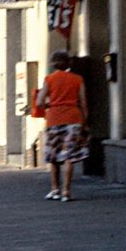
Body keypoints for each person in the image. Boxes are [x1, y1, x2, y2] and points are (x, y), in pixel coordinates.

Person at [36, 50, 89, 202]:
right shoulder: (77, 79)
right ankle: (66, 191)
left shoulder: (49, 79)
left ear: (53, 64)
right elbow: (83, 102)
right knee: (69, 156)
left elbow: (39, 102)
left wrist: (50, 103)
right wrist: (84, 122)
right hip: (73, 118)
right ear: (68, 63)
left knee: (53, 156)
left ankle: (54, 189)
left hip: (54, 119)